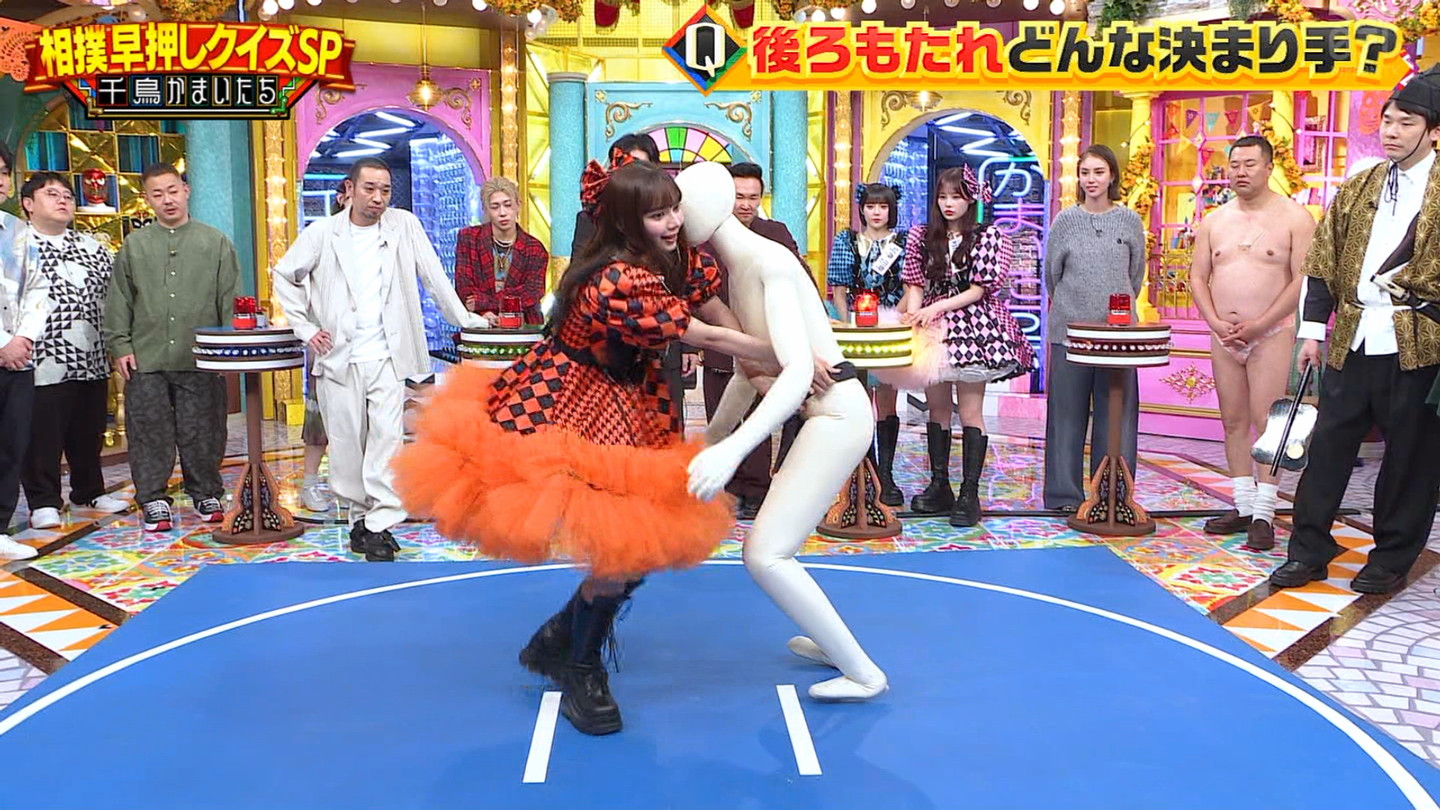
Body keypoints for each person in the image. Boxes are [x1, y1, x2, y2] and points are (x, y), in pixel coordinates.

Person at [394, 160, 784, 736]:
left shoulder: (676, 256)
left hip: (634, 399)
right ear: (626, 221)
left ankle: (562, 638)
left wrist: (768, 371)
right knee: (624, 541)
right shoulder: (615, 278)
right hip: (568, 401)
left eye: (674, 208)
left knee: (642, 537)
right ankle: (579, 663)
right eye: (657, 215)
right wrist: (783, 355)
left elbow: (713, 310)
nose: (673, 222)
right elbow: (701, 334)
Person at [680, 160, 887, 702]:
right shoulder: (744, 266)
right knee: (775, 548)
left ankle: (864, 674)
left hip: (838, 416)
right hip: (827, 415)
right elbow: (750, 374)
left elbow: (796, 374)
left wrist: (731, 450)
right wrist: (711, 442)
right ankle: (833, 643)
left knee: (765, 553)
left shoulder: (768, 261)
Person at [1269, 67, 1440, 595]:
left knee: (1410, 457)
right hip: (1354, 334)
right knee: (1327, 447)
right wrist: (1312, 332)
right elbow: (1322, 260)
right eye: (1387, 120)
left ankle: (1390, 557)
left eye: (1406, 123)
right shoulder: (1361, 184)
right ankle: (1309, 551)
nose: (1392, 131)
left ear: (1434, 131)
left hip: (1419, 341)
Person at [271, 157, 485, 562]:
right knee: (347, 444)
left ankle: (379, 523)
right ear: (350, 190)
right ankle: (360, 521)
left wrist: (465, 320)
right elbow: (285, 275)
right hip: (339, 357)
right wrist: (306, 328)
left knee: (386, 441)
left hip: (388, 355)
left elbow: (434, 277)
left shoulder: (404, 226)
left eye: (385, 190)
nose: (378, 197)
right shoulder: (323, 234)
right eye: (370, 188)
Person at [1188, 137, 1316, 550]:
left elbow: (1302, 279)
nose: (1240, 171)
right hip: (1223, 334)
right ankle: (1242, 505)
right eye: (1235, 164)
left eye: (1249, 163)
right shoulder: (1214, 220)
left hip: (1271, 333)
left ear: (1268, 167)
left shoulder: (1295, 218)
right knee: (1233, 420)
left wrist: (1261, 323)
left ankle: (1264, 511)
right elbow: (1197, 276)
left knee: (1268, 422)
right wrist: (1214, 321)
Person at [104, 163, 240, 532]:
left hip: (199, 357)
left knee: (204, 428)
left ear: (186, 191)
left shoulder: (215, 242)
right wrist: (120, 344)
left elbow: (229, 299)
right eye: (158, 194)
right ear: (147, 199)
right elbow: (119, 299)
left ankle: (206, 492)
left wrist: (225, 350)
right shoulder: (135, 245)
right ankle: (153, 498)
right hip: (146, 356)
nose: (167, 200)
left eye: (173, 190)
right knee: (149, 431)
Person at [898, 165, 1037, 525]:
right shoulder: (921, 236)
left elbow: (978, 290)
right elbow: (914, 283)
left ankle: (969, 493)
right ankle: (939, 485)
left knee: (971, 411)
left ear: (971, 200)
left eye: (956, 197)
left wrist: (935, 309)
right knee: (937, 408)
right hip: (932, 326)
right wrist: (915, 317)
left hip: (973, 324)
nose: (948, 204)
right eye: (943, 197)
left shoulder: (988, 236)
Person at [698, 161, 811, 520]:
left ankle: (757, 489)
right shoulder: (706, 236)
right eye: (738, 196)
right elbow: (691, 295)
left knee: (760, 417)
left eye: (753, 197)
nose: (746, 204)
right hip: (719, 344)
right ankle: (724, 491)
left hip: (764, 342)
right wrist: (688, 347)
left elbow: (801, 278)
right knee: (722, 416)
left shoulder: (774, 232)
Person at [1042, 145, 1148, 513]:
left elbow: (1135, 275)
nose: (1091, 180)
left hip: (1118, 336)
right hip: (1069, 333)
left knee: (1117, 415)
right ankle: (1063, 496)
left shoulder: (1130, 221)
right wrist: (1074, 308)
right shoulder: (1065, 221)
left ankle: (1113, 493)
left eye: (1099, 172)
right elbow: (1051, 276)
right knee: (1066, 416)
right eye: (1085, 173)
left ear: (1112, 176)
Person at [19, 172, 127, 530]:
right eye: (52, 194)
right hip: (40, 358)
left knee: (89, 430)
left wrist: (116, 343)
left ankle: (89, 491)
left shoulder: (93, 247)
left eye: (67, 195)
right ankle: (44, 501)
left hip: (91, 355)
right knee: (42, 434)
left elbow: (114, 298)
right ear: (28, 203)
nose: (63, 200)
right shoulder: (17, 248)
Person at [572, 134, 695, 433]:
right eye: (626, 166)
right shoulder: (595, 225)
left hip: (664, 351)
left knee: (666, 437)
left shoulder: (671, 227)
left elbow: (688, 287)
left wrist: (689, 345)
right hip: (608, 358)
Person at [827, 182, 909, 506]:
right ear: (861, 209)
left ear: (891, 210)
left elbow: (911, 287)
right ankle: (864, 470)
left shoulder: (903, 243)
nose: (876, 212)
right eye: (871, 206)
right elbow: (838, 288)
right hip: (853, 327)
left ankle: (885, 475)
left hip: (889, 326)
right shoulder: (847, 241)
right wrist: (847, 324)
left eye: (883, 207)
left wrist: (892, 319)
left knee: (887, 400)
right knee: (858, 401)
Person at [0, 142, 50, 559]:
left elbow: (38, 290)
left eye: (3, 172)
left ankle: (0, 527)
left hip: (18, 357)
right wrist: (3, 343)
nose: (0, 180)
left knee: (11, 444)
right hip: (6, 348)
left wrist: (23, 339)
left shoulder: (18, 231)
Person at [455, 176, 549, 326]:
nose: (502, 213)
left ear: (518, 206)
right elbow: (464, 287)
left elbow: (532, 293)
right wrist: (484, 313)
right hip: (479, 322)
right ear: (485, 209)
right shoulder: (469, 239)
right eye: (495, 207)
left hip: (523, 326)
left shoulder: (535, 249)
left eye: (508, 205)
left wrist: (483, 302)